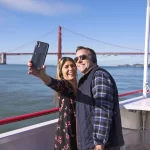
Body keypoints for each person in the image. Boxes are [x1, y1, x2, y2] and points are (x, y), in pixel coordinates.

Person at [74, 46, 124, 150]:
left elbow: (103, 110)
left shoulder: (99, 75)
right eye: (76, 59)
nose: (79, 61)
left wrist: (99, 142)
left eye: (82, 57)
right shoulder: (87, 78)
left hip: (99, 145)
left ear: (93, 59)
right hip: (89, 143)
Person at [27, 57, 78, 150]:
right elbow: (54, 83)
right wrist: (42, 76)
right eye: (66, 67)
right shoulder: (65, 86)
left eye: (72, 66)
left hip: (78, 136)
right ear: (61, 72)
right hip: (67, 140)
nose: (70, 69)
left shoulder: (80, 87)